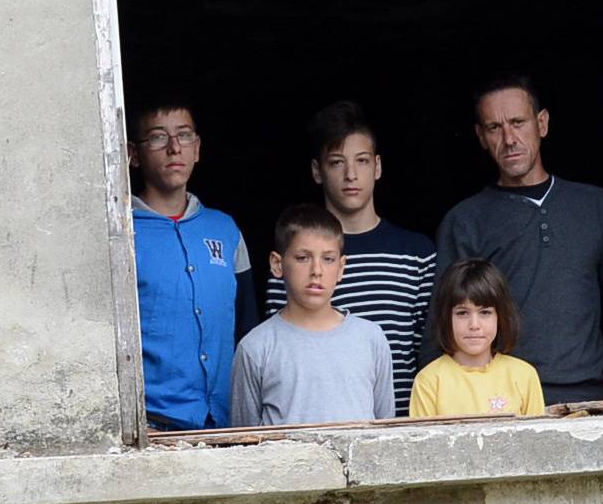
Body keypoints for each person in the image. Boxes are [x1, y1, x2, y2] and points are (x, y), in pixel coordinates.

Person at [435, 74, 603, 404]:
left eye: (518, 122)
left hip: (589, 396)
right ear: (480, 137)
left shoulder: (595, 206)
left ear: (541, 123)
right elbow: (442, 323)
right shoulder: (465, 221)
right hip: (500, 397)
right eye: (494, 128)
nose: (509, 138)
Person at [263, 101, 435, 411]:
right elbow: (280, 347)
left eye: (362, 161)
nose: (351, 174)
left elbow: (431, 352)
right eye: (337, 162)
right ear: (318, 171)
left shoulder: (417, 254)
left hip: (400, 428)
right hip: (314, 424)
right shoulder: (296, 258)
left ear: (378, 167)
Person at [129, 98, 258, 430]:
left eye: (184, 135)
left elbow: (248, 330)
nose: (175, 148)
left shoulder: (225, 230)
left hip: (225, 422)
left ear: (197, 148)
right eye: (158, 137)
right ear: (132, 154)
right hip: (152, 424)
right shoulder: (122, 232)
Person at [231, 205, 394, 428]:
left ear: (341, 267)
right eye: (302, 257)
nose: (316, 270)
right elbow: (244, 440)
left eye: (328, 259)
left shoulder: (370, 338)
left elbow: (385, 430)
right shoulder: (256, 346)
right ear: (277, 264)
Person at [409, 258, 546, 418]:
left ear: (500, 316)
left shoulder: (524, 375)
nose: (474, 325)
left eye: (485, 312)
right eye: (462, 313)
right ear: (446, 317)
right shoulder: (429, 380)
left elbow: (537, 441)